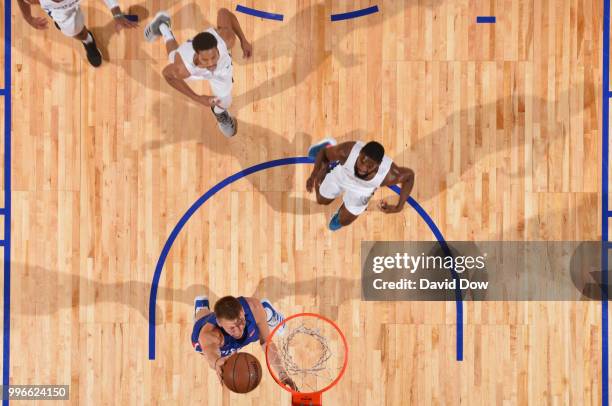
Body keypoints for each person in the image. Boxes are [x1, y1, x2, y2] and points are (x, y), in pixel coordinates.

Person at [144, 9, 252, 137]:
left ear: (218, 49)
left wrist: (243, 40)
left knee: (225, 101)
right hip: (193, 68)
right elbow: (167, 74)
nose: (211, 63)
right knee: (174, 60)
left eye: (213, 57)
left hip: (222, 71)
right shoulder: (183, 68)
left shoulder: (227, 39)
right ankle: (163, 26)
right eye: (205, 59)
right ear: (197, 55)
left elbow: (223, 13)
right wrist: (197, 98)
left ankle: (219, 113)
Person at [306, 138, 415, 231]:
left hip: (363, 190)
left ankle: (342, 214)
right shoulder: (347, 151)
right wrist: (313, 175)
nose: (363, 168)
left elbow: (409, 177)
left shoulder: (389, 174)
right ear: (359, 153)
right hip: (343, 175)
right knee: (321, 200)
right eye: (362, 161)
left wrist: (399, 206)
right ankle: (329, 151)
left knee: (344, 221)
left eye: (369, 166)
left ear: (378, 164)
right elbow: (323, 153)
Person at [191, 295, 297, 390]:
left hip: (253, 315)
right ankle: (202, 307)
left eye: (241, 321)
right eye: (232, 328)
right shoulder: (209, 335)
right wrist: (216, 362)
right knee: (202, 320)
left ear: (242, 310)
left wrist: (282, 373)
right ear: (219, 323)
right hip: (210, 336)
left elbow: (266, 343)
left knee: (258, 325)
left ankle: (268, 313)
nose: (239, 330)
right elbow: (210, 353)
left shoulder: (254, 307)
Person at [17, 0, 138, 67]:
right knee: (76, 31)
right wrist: (28, 18)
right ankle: (88, 41)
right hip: (62, 12)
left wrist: (116, 13)